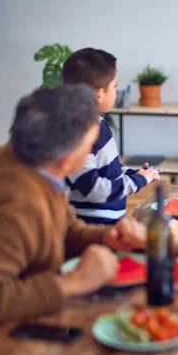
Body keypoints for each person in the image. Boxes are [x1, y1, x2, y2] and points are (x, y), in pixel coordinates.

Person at [0, 85, 148, 355]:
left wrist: (108, 236)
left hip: (6, 330)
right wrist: (74, 282)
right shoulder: (12, 202)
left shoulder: (23, 162)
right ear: (67, 160)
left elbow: (63, 229)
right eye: (91, 144)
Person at [62, 47, 160, 225]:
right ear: (99, 94)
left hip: (107, 223)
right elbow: (93, 188)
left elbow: (106, 171)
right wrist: (138, 181)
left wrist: (135, 174)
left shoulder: (95, 125)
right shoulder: (80, 132)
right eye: (114, 86)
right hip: (92, 228)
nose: (116, 91)